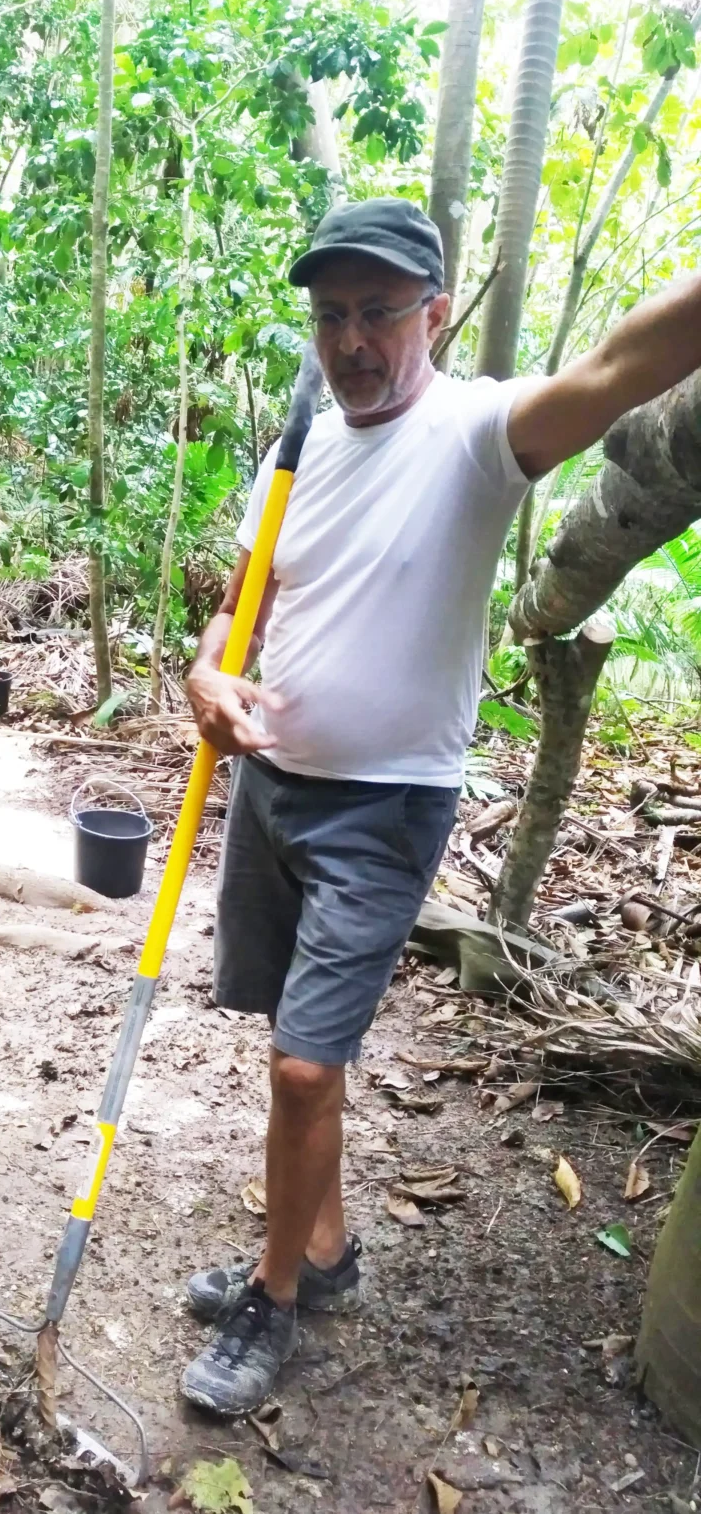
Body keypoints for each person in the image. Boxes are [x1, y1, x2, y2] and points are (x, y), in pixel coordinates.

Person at [180, 196, 701, 1415]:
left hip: (384, 809)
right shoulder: (300, 444)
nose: (352, 340)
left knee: (303, 1068)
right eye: (331, 316)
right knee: (294, 1043)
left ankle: (275, 1297)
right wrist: (208, 673)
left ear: (437, 311)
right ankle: (323, 1249)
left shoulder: (478, 432)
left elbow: (624, 363)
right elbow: (243, 606)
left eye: (379, 311)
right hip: (271, 790)